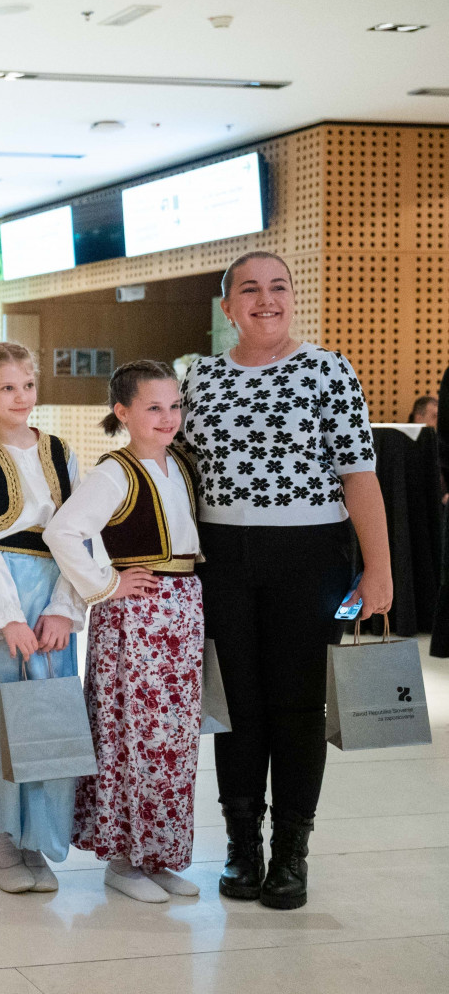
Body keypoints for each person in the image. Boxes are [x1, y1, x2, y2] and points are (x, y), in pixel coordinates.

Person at [179, 250, 390, 910]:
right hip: (220, 556)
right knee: (235, 706)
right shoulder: (198, 376)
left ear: (293, 297)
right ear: (227, 307)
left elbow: (359, 475)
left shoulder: (328, 369)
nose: (264, 299)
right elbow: (174, 471)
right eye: (249, 289)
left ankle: (291, 852)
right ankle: (242, 848)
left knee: (297, 709)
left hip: (309, 554)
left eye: (277, 287)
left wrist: (380, 568)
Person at [44, 360, 204, 904]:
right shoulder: (116, 471)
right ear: (123, 412)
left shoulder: (179, 465)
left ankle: (158, 854)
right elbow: (64, 532)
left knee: (172, 739)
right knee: (133, 733)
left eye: (174, 406)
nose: (167, 417)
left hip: (181, 610)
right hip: (137, 616)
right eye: (153, 407)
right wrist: (106, 584)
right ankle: (123, 860)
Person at [0, 342, 85, 893]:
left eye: (28, 386)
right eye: (7, 387)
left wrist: (64, 609)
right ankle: (6, 849)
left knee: (49, 713)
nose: (21, 397)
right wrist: (5, 616)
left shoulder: (61, 452)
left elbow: (81, 535)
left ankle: (41, 841)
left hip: (53, 596)